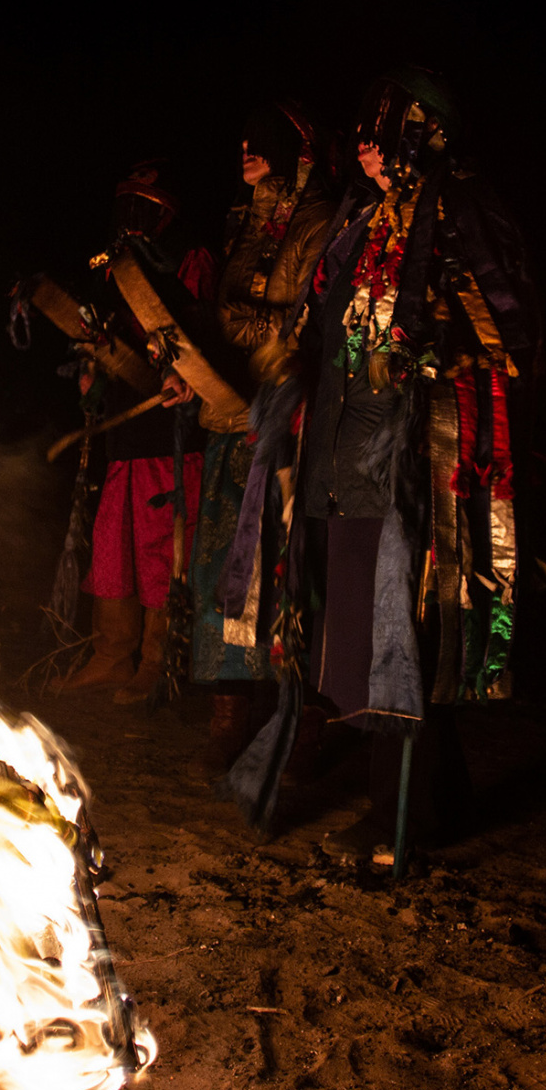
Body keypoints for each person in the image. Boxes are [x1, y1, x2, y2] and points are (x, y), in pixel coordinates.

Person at [281, 70, 538, 865]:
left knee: (403, 628)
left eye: (381, 126)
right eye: (359, 126)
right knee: (370, 630)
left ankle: (399, 823)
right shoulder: (359, 221)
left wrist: (437, 345)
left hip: (424, 456)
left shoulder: (462, 206)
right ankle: (441, 799)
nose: (361, 140)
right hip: (353, 454)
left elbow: (512, 328)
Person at [190, 102, 338, 769]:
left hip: (289, 422)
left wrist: (239, 326)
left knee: (287, 567)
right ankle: (231, 709)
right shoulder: (242, 222)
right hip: (231, 416)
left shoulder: (315, 221)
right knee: (225, 568)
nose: (246, 149)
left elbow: (307, 324)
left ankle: (300, 716)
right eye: (242, 139)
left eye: (262, 142)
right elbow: (224, 318)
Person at [62, 162, 218, 704]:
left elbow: (201, 330)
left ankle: (157, 660)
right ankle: (111, 653)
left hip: (170, 431)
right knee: (114, 543)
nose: (131, 217)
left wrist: (187, 373)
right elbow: (100, 332)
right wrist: (91, 371)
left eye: (143, 206)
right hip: (124, 432)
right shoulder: (112, 266)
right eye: (125, 203)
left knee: (160, 547)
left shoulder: (189, 259)